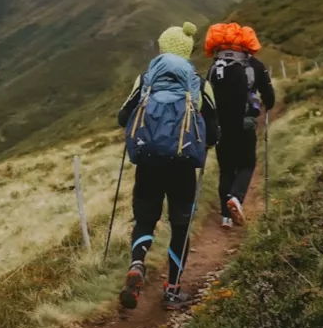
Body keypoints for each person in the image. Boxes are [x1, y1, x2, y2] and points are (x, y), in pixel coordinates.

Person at [116, 21, 219, 311]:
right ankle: (172, 290)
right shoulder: (199, 83)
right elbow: (213, 132)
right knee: (180, 225)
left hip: (148, 162)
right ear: (187, 52)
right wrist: (204, 143)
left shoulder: (145, 78)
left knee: (145, 220)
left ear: (162, 49)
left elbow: (124, 117)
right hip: (183, 165)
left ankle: (137, 264)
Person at [204, 23, 276, 228]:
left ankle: (226, 217)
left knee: (226, 169)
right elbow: (269, 97)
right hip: (245, 125)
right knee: (247, 164)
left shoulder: (214, 66)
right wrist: (265, 106)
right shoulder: (254, 65)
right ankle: (236, 198)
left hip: (221, 127)